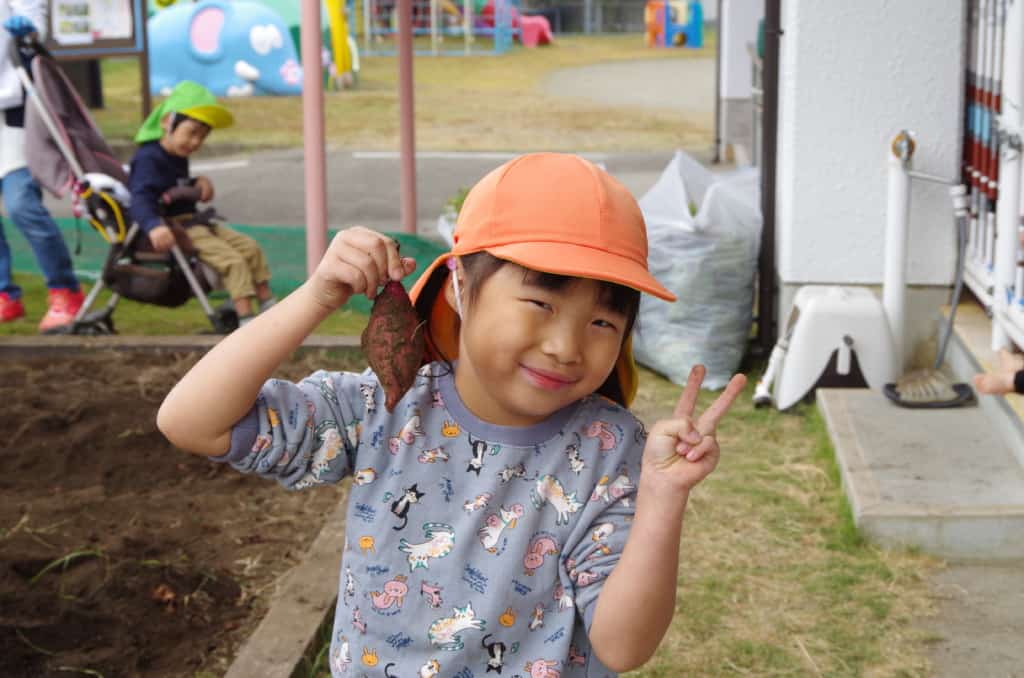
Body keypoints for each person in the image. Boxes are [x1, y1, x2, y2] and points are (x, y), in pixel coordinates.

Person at [157, 153, 746, 676]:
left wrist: (664, 497)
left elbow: (623, 647)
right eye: (541, 302)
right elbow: (191, 422)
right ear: (460, 286)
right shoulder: (384, 408)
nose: (566, 346)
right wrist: (316, 296)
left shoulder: (608, 450)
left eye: (602, 322)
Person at [128, 80, 275, 326]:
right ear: (167, 121)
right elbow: (140, 197)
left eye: (203, 136)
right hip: (176, 227)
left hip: (196, 221)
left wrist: (198, 182)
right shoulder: (148, 158)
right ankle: (247, 320)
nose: (196, 142)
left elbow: (173, 183)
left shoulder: (177, 155)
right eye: (192, 132)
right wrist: (153, 226)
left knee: (250, 248)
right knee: (232, 261)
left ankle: (267, 303)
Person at [0, 1, 86, 332]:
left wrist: (29, 30)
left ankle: (65, 290)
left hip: (13, 110)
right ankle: (5, 295)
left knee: (22, 205)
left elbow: (33, 18)